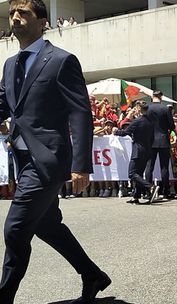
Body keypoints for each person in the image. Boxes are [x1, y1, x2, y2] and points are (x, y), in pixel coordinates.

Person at [0, 1, 110, 303]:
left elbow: (80, 113)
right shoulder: (11, 64)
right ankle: (93, 275)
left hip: (48, 160)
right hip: (22, 160)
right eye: (12, 13)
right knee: (47, 226)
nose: (16, 18)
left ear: (43, 22)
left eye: (24, 13)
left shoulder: (61, 60)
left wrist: (82, 165)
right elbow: (3, 106)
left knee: (15, 229)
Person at [114, 101, 159, 204]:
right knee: (139, 173)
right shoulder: (151, 122)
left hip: (138, 150)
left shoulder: (137, 121)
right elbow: (152, 138)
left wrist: (115, 131)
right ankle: (136, 196)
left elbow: (125, 132)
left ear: (139, 109)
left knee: (132, 173)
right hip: (147, 150)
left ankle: (150, 187)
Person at [144, 90, 175, 199]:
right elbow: (172, 126)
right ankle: (166, 191)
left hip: (150, 140)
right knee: (164, 167)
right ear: (161, 97)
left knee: (149, 167)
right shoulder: (165, 108)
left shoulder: (147, 108)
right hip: (163, 140)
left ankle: (148, 191)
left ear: (152, 96)